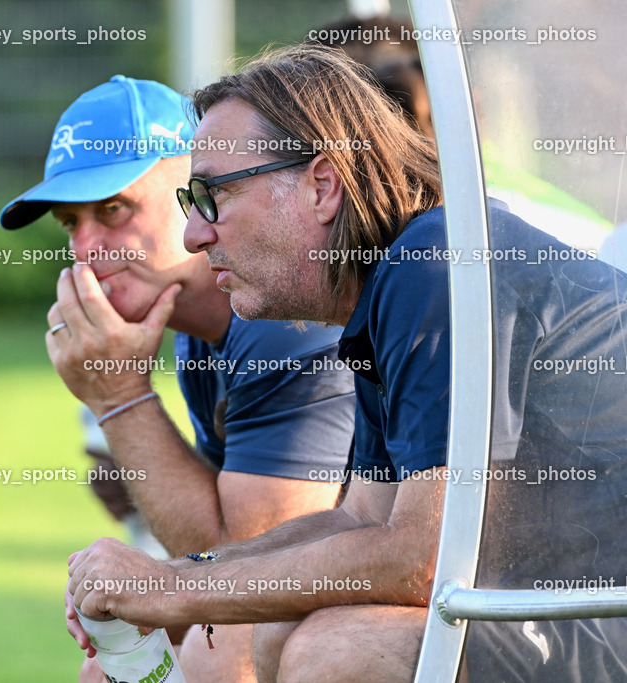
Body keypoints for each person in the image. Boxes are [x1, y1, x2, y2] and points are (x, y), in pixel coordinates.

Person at [67, 45, 627, 682]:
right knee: (279, 627)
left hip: (604, 612)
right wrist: (175, 578)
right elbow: (362, 518)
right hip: (574, 612)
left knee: (337, 649)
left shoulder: (437, 266)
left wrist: (175, 593)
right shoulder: (398, 279)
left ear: (322, 185)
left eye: (212, 195)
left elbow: (425, 560)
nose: (195, 233)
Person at [0, 75, 356, 681]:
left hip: (474, 612)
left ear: (193, 187)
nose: (85, 250)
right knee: (112, 668)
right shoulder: (199, 330)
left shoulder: (278, 319)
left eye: (113, 210)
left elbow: (243, 577)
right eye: (69, 224)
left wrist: (119, 398)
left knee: (215, 656)